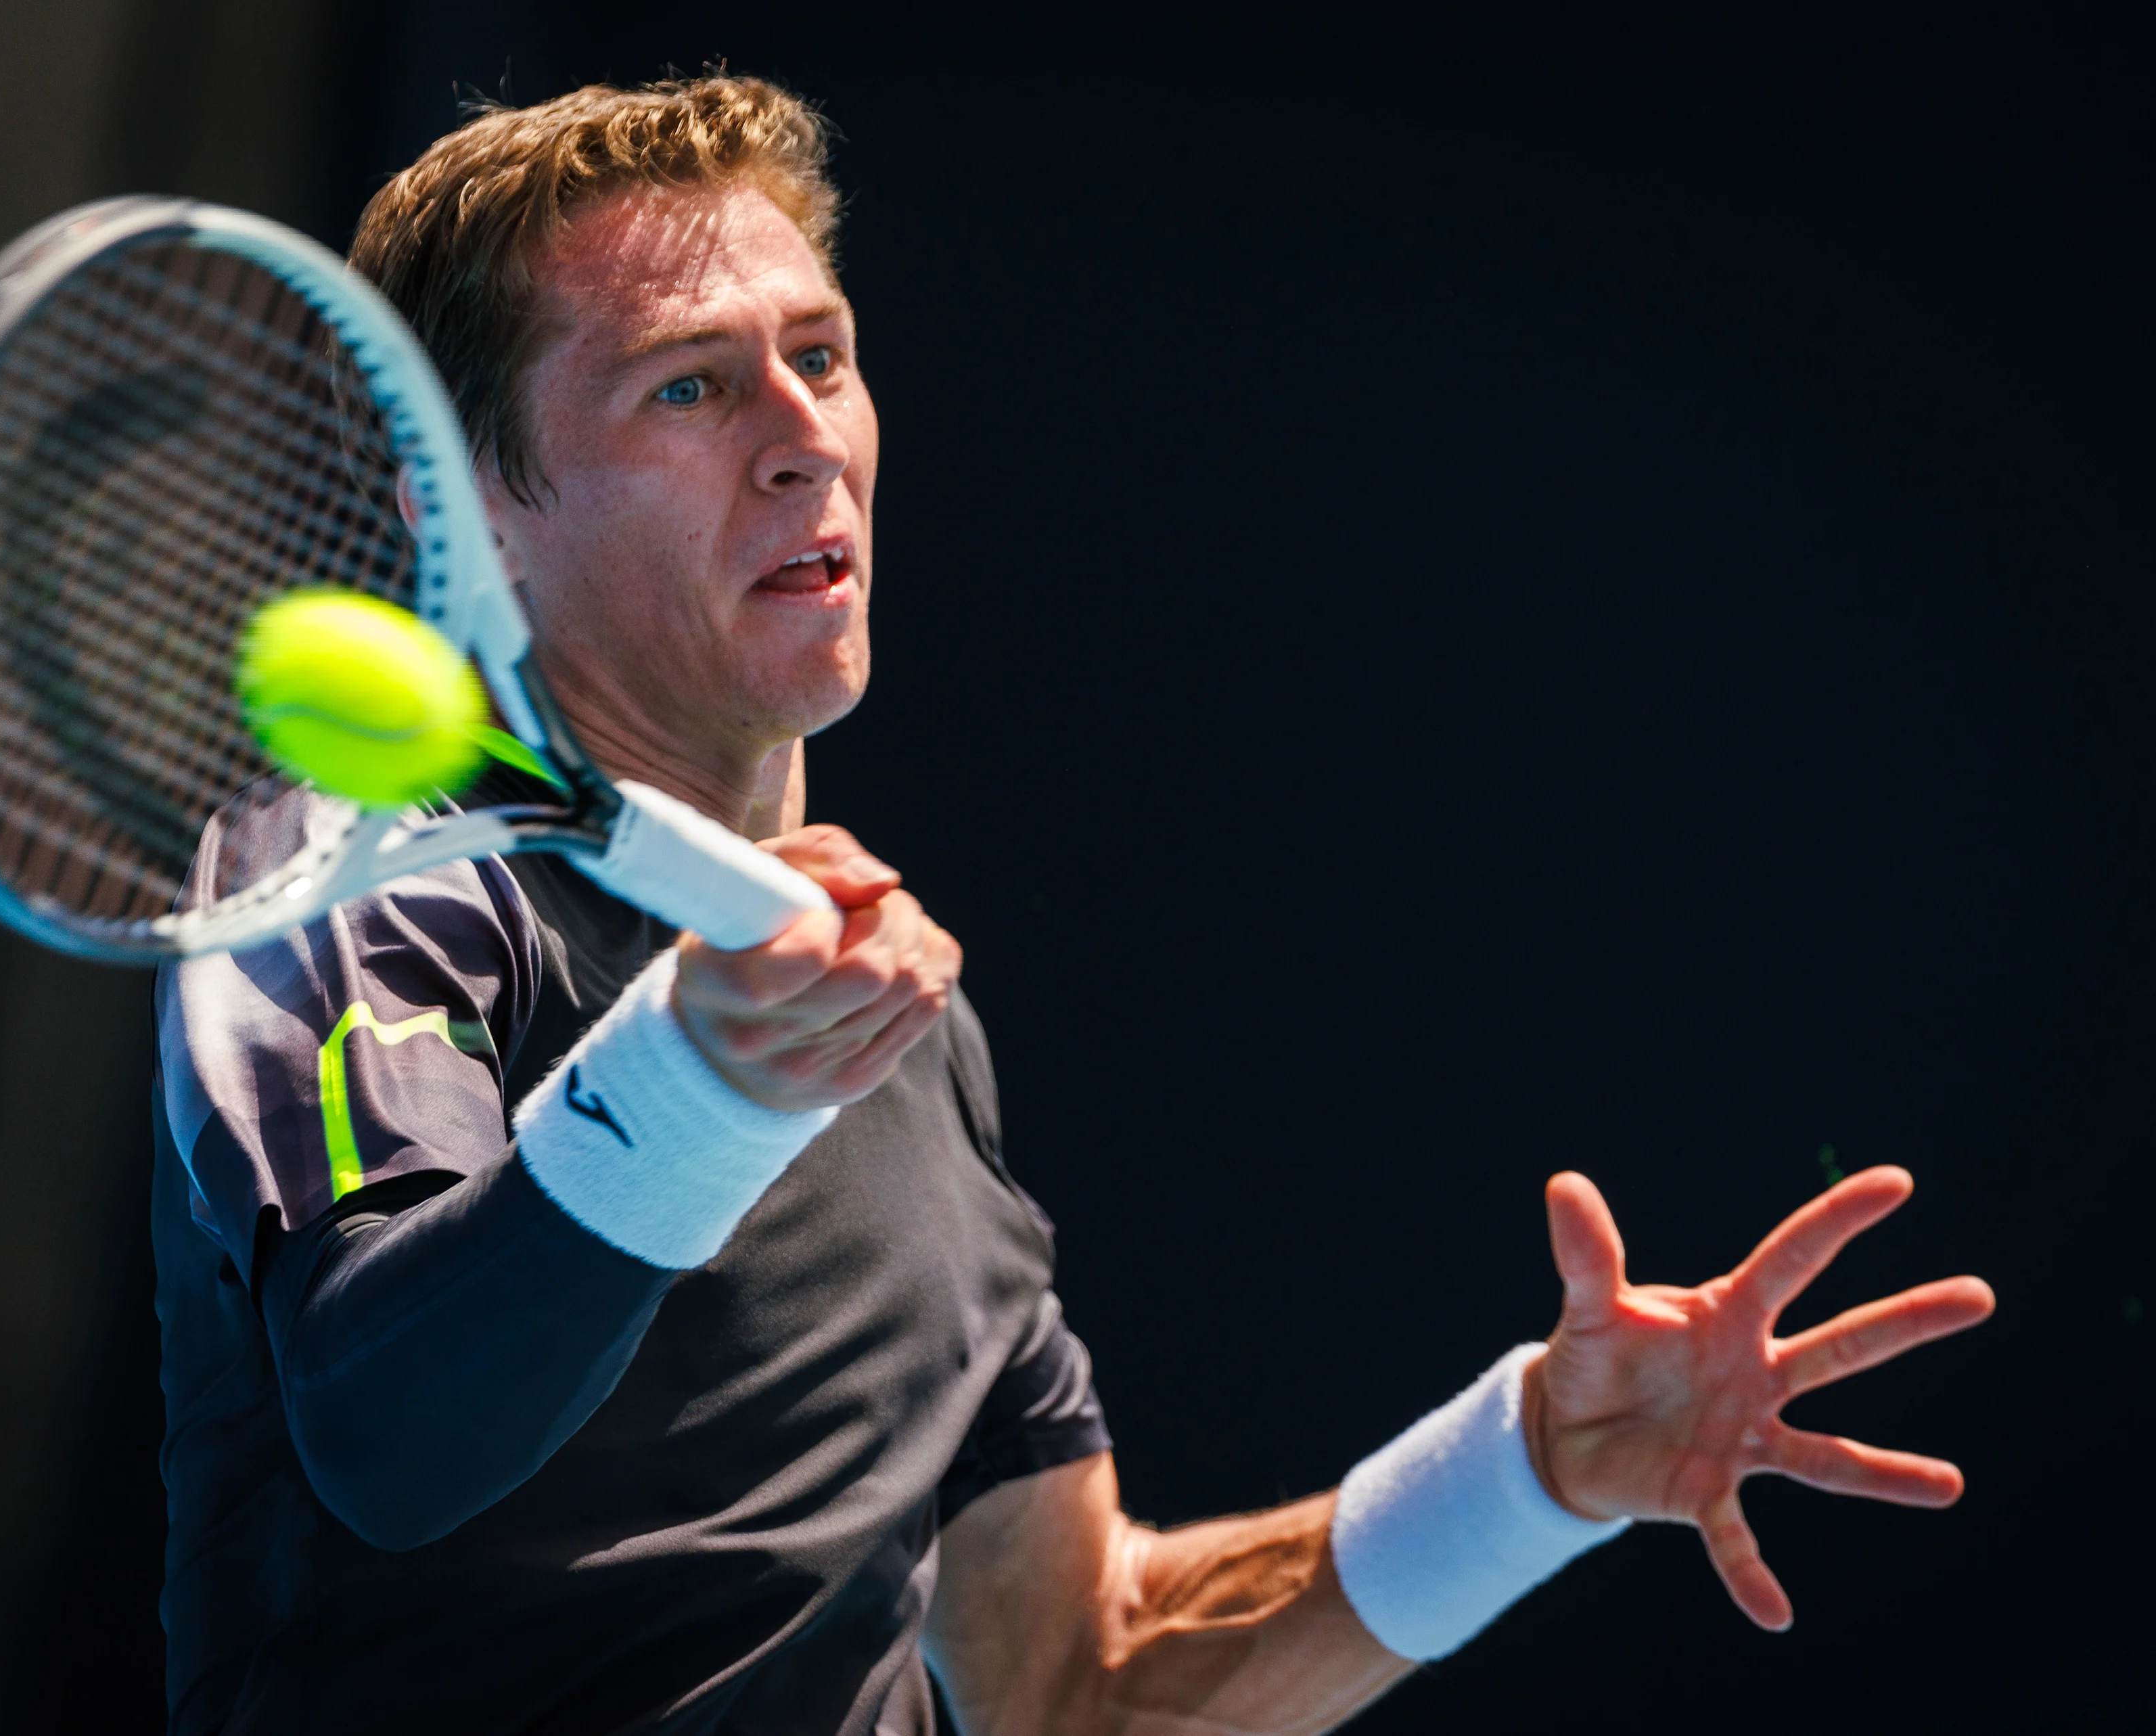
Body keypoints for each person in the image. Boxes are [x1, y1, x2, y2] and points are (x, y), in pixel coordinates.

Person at [150, 76, 1996, 1736]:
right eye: (691, 383)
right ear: (466, 512)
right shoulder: (364, 870)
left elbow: (1071, 1681)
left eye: (826, 354)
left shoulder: (906, 1037)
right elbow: (388, 1433)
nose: (808, 439)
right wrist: (702, 1090)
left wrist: (1527, 1473)